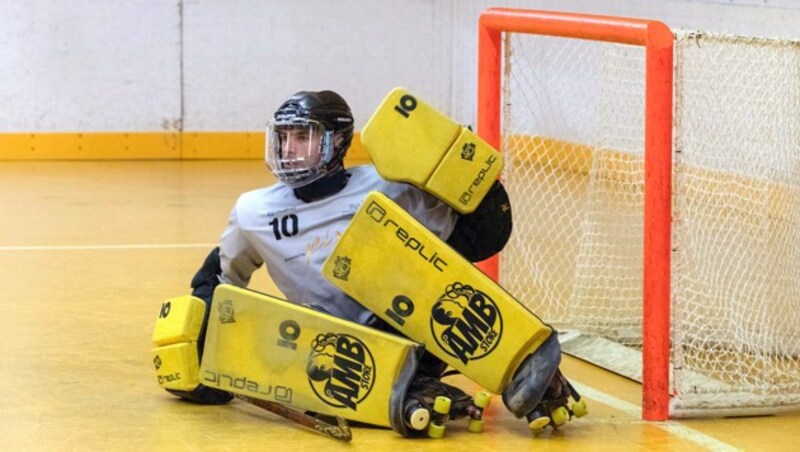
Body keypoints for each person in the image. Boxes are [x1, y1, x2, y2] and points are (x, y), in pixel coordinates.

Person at [174, 90, 513, 406]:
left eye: (302, 137)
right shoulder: (253, 211)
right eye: (283, 137)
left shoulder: (389, 187)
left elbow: (477, 239)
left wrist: (470, 177)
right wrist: (196, 346)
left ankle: (513, 369)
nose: (288, 148)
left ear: (336, 141)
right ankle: (403, 383)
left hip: (409, 333)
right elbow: (216, 281)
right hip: (324, 345)